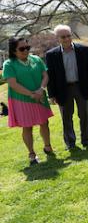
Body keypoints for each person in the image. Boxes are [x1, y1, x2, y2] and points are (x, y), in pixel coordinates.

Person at [2, 37, 54, 165]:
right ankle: (32, 154)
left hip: (40, 96)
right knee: (27, 127)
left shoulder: (36, 59)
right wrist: (32, 94)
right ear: (14, 51)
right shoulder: (9, 64)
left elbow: (45, 75)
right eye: (21, 48)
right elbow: (13, 84)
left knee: (44, 123)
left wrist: (41, 90)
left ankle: (48, 147)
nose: (25, 50)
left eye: (27, 47)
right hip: (21, 100)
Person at [45, 25, 88, 150]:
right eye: (63, 37)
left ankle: (86, 140)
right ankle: (70, 143)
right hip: (63, 90)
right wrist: (51, 95)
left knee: (84, 115)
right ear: (58, 38)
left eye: (69, 36)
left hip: (81, 86)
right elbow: (50, 76)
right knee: (66, 117)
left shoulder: (83, 50)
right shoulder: (51, 55)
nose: (67, 39)